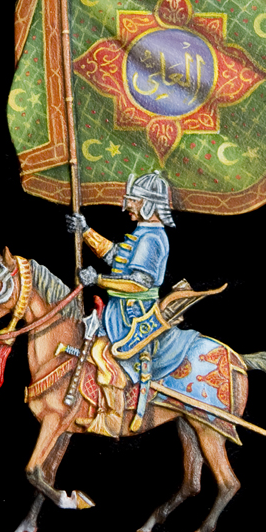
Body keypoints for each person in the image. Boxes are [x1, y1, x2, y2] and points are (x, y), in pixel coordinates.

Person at [66, 171, 197, 436]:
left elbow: (138, 283)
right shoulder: (142, 233)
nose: (128, 206)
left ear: (149, 203)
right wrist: (86, 231)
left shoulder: (152, 238)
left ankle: (111, 420)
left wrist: (98, 280)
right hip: (118, 313)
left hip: (133, 316)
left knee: (102, 354)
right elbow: (116, 256)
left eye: (135, 200)